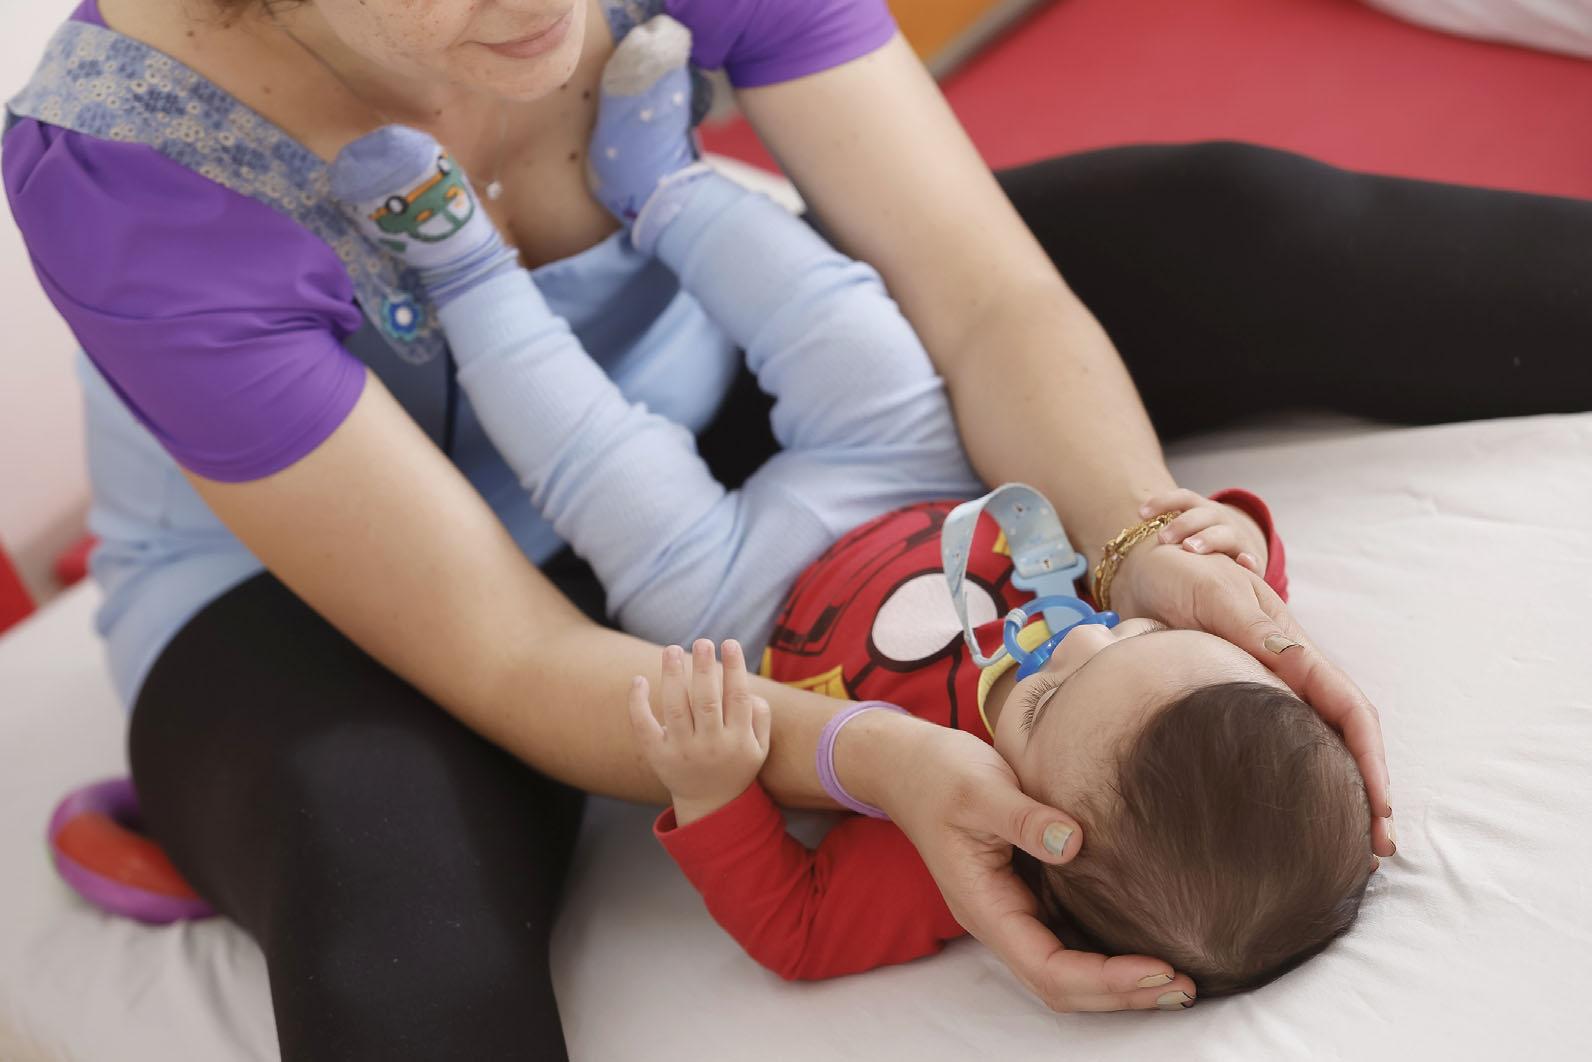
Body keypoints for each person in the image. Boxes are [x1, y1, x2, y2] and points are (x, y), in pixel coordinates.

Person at [16, 0, 1590, 1053]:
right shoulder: (134, 171)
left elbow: (986, 299)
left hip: (741, 412)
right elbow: (515, 656)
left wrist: (1139, 538)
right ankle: (208, 809)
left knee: (1242, 221)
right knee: (398, 928)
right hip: (335, 594)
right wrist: (860, 754)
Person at [327, 18, 1367, 1003]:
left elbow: (799, 926)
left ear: (1036, 848)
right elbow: (1227, 590)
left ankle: (457, 259)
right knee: (850, 333)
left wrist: (715, 786)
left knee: (595, 459)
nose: (1074, 637)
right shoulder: (1181, 679)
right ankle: (664, 188)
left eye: (1046, 699)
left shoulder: (949, 853)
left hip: (739, 601)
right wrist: (1223, 537)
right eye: (1130, 635)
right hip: (910, 479)